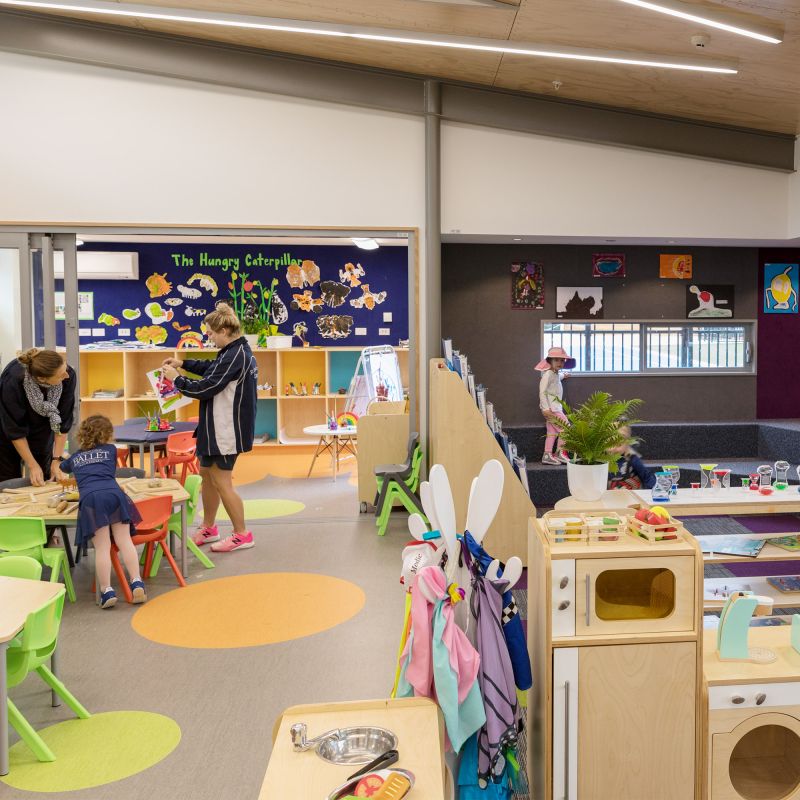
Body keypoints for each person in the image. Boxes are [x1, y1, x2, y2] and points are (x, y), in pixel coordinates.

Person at [160, 302, 257, 553]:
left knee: (222, 481)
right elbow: (211, 368)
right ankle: (209, 526)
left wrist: (176, 379)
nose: (209, 337)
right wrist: (183, 364)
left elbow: (206, 387)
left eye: (211, 334)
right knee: (206, 474)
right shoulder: (230, 351)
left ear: (224, 330)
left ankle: (242, 534)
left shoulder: (237, 355)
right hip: (213, 426)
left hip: (226, 429)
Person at [60, 415, 145, 609]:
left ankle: (107, 591)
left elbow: (63, 468)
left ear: (81, 435)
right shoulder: (111, 450)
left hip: (91, 499)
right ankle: (137, 582)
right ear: (107, 435)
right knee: (124, 541)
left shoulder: (74, 458)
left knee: (102, 547)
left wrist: (60, 460)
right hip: (114, 495)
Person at [0, 348, 77, 486]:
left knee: (45, 476)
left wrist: (56, 460)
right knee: (8, 481)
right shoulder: (13, 379)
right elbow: (14, 428)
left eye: (65, 368)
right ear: (42, 378)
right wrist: (31, 464)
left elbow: (63, 421)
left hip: (42, 428)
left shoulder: (67, 374)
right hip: (7, 432)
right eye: (60, 375)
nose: (66, 375)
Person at [535, 346, 575, 465]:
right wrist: (545, 408)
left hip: (554, 408)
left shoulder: (555, 374)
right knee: (566, 428)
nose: (560, 363)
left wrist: (564, 375)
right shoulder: (547, 374)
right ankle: (560, 452)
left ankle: (547, 454)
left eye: (562, 360)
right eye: (556, 360)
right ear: (549, 361)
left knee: (552, 433)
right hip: (552, 409)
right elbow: (542, 391)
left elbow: (556, 381)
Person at [608, 424, 656, 490]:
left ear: (627, 444)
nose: (614, 448)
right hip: (610, 497)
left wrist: (654, 491)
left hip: (631, 496)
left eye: (619, 445)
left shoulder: (632, 459)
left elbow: (647, 477)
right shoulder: (602, 462)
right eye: (610, 444)